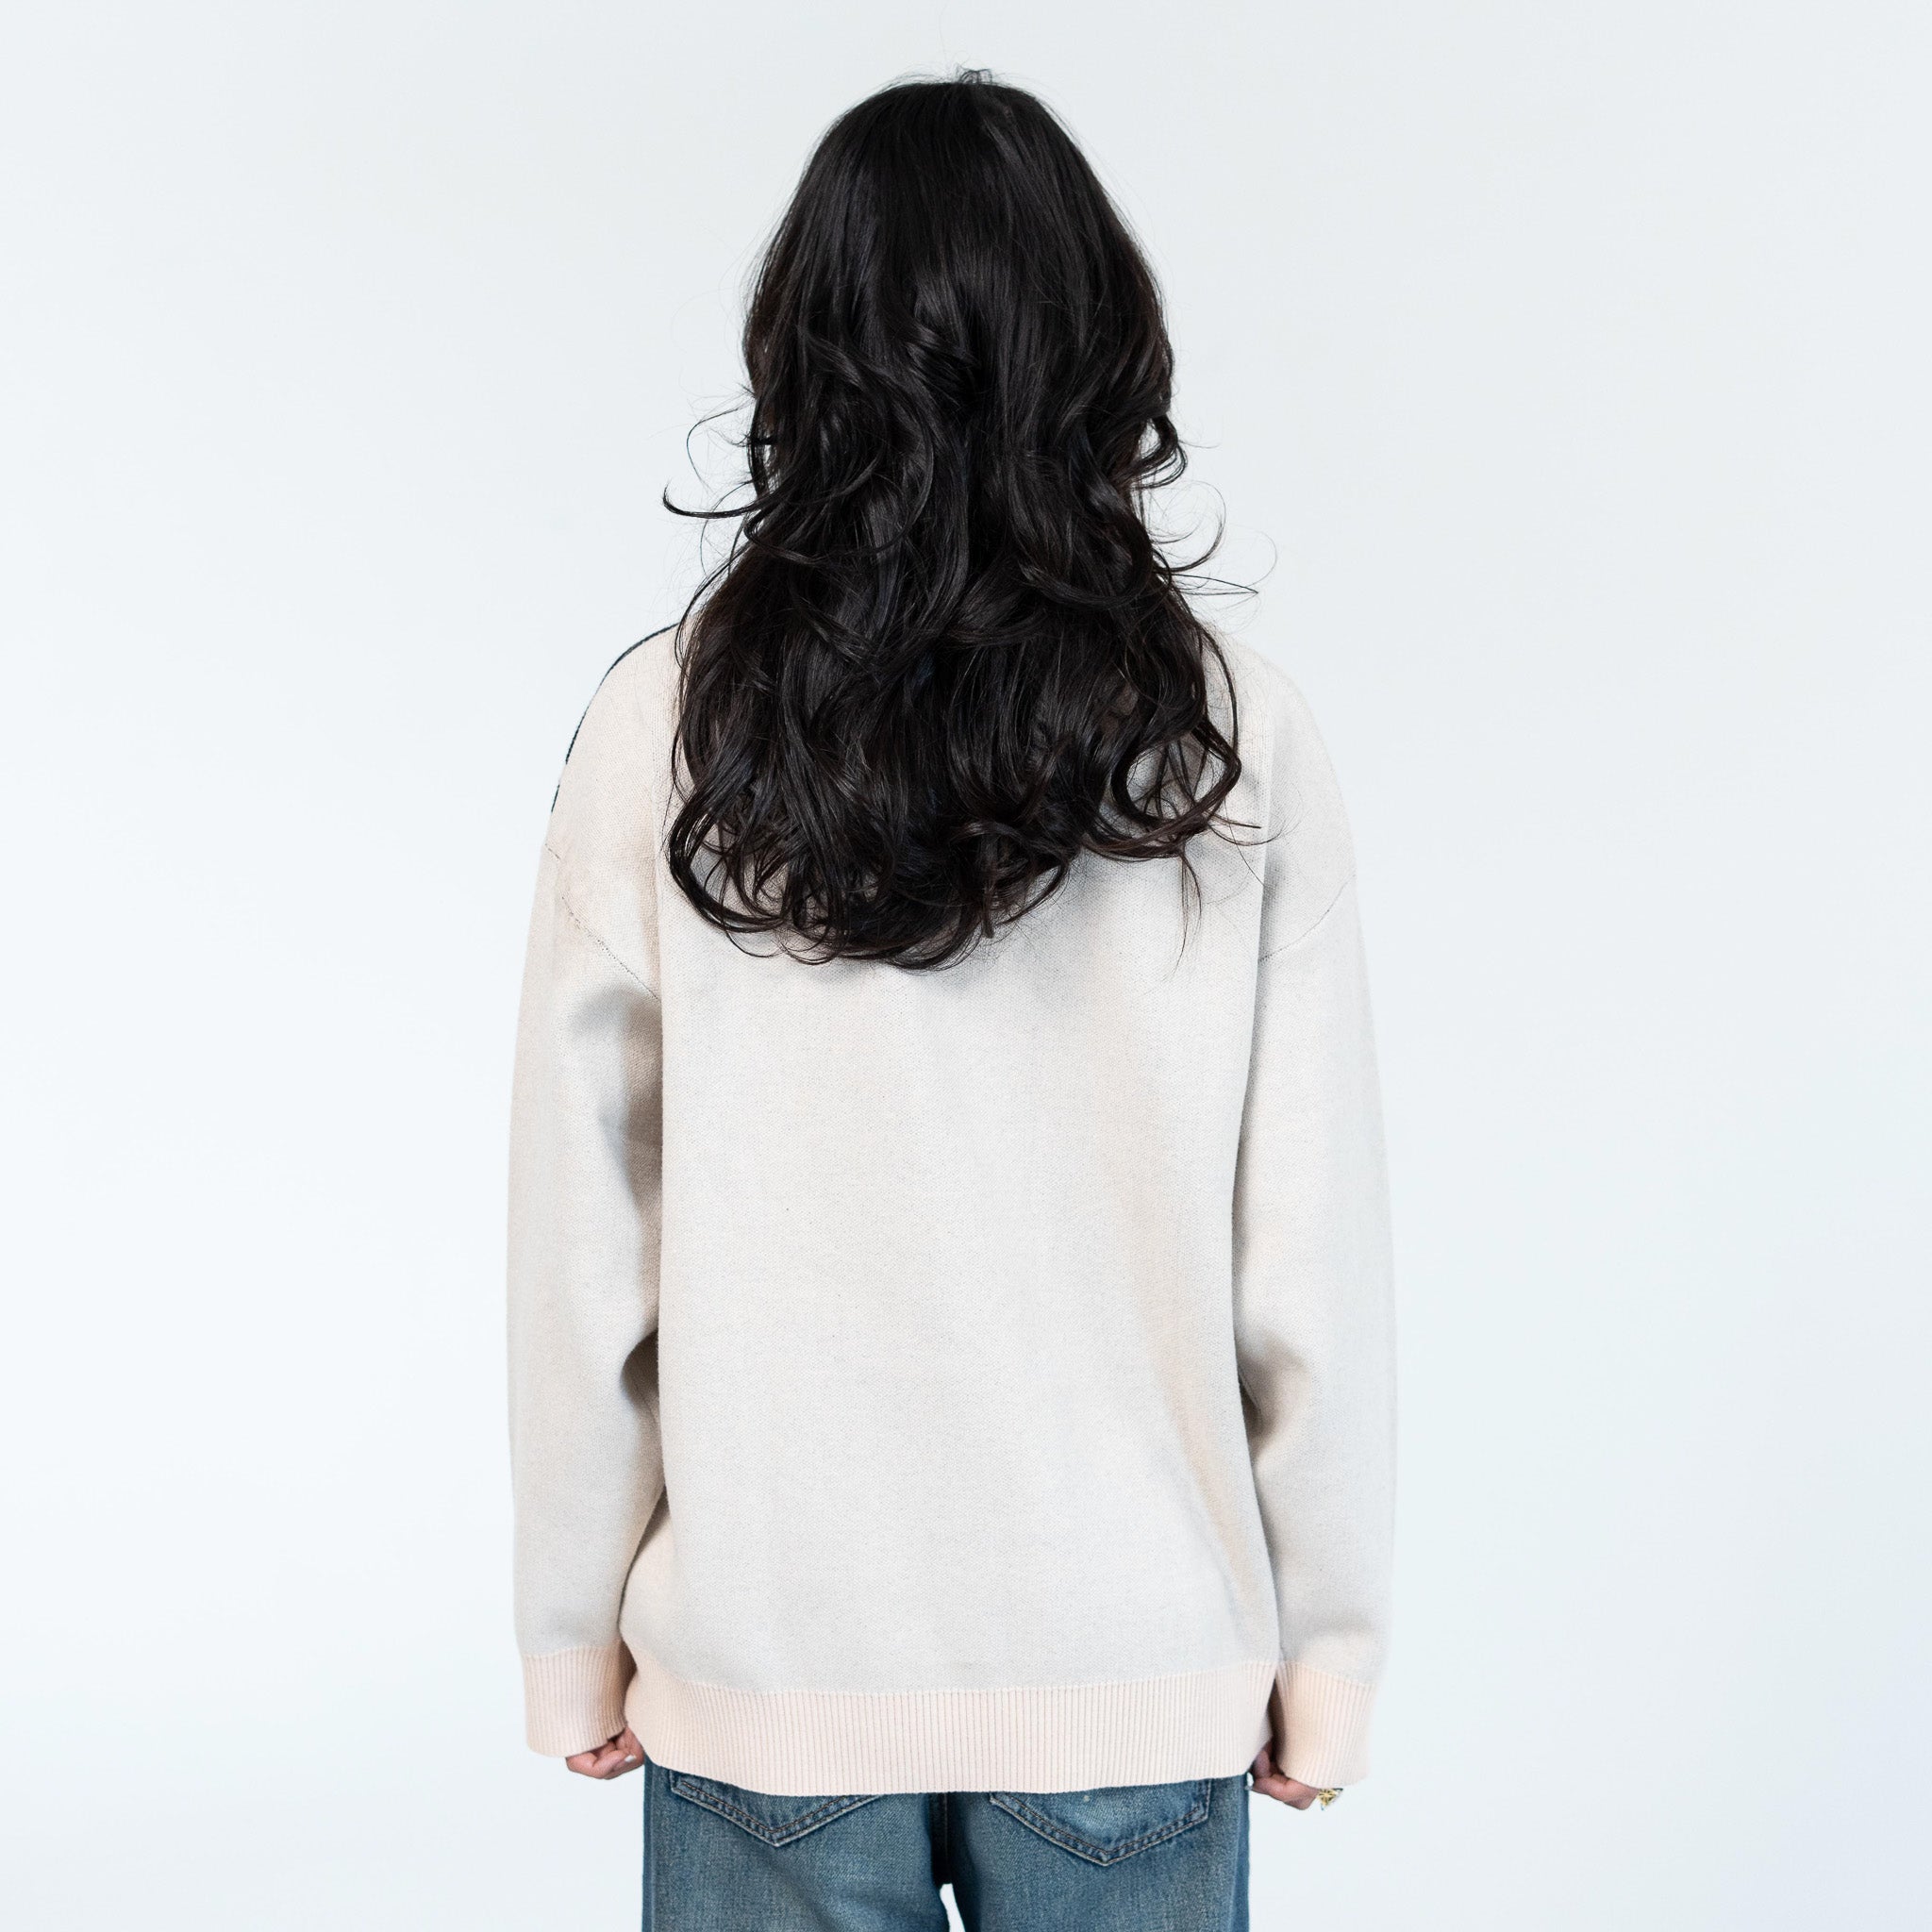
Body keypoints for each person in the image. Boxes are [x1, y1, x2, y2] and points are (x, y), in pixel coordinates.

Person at [507, 71, 1394, 1931]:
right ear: (1098, 344)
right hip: (1131, 1649)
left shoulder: (669, 726)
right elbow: (1304, 1250)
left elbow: (587, 1239)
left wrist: (572, 1630)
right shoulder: (1223, 734)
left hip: (769, 1658)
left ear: (802, 350)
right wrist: (1328, 1647)